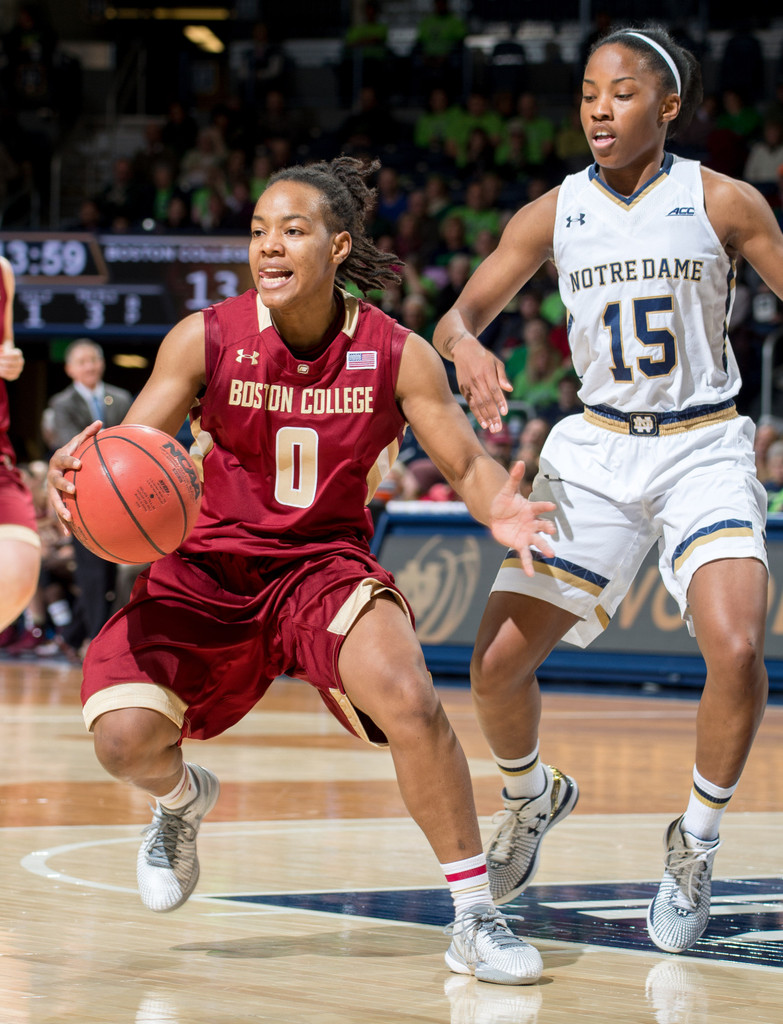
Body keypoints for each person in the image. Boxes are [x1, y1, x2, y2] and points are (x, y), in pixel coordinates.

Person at [47, 156, 558, 986]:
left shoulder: (398, 353)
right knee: (123, 740)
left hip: (321, 566)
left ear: (337, 244)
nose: (268, 247)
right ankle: (180, 802)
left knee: (411, 699)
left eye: (291, 230)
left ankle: (473, 917)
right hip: (207, 564)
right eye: (256, 232)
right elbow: (134, 452)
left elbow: (464, 462)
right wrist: (88, 468)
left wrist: (496, 507)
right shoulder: (204, 336)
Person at [432, 24, 780, 956]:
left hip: (703, 443)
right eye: (587, 90)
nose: (597, 106)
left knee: (739, 650)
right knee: (495, 666)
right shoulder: (553, 212)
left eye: (621, 91)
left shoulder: (725, 201)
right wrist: (467, 347)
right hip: (594, 450)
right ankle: (529, 796)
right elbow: (455, 316)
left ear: (666, 107)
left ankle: (694, 846)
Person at [47, 339, 133, 658]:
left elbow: (131, 438)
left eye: (94, 359)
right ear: (70, 369)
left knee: (112, 571)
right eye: (82, 361)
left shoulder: (121, 397)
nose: (89, 366)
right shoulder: (62, 403)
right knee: (92, 572)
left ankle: (71, 637)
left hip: (121, 495)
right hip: (82, 494)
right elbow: (71, 447)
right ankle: (97, 642)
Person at [0, 255, 40, 640]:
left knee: (18, 571)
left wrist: (10, 360)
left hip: (0, 454)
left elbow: (6, 350)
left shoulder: (2, 271)